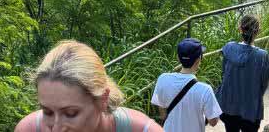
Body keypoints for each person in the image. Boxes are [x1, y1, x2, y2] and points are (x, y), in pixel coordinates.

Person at [15, 40, 164, 132]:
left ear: (102, 99)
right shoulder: (29, 129)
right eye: (47, 112)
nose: (57, 128)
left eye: (71, 113)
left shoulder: (144, 130)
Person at [150, 38, 221, 132]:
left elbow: (163, 114)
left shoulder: (163, 79)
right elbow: (213, 122)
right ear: (199, 59)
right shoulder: (205, 90)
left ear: (178, 58)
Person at [218, 14, 269, 132]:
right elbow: (264, 84)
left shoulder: (228, 48)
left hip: (229, 106)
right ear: (258, 31)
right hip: (251, 108)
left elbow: (224, 75)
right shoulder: (262, 56)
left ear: (240, 29)